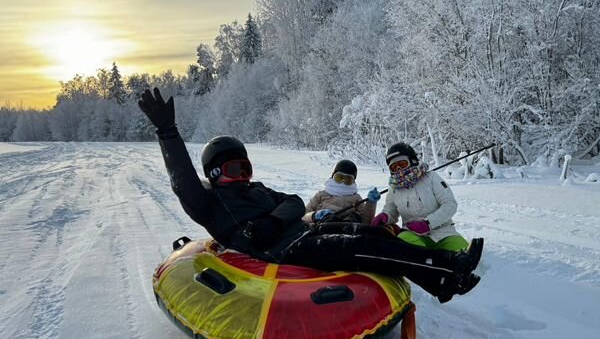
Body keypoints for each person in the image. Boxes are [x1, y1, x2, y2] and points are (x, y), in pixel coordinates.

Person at [138, 88, 483, 302]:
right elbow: (183, 182)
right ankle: (446, 273)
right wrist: (167, 132)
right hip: (283, 252)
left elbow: (291, 201)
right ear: (214, 174)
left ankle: (445, 273)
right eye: (233, 171)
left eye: (245, 168)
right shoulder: (210, 203)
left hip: (304, 233)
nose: (242, 177)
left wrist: (276, 219)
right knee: (364, 247)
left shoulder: (255, 190)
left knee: (373, 232)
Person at [371, 142, 471, 252]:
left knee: (461, 252)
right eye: (394, 167)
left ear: (412, 161)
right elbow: (391, 211)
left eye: (402, 164)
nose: (399, 169)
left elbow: (450, 204)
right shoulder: (394, 189)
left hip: (443, 233)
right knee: (403, 247)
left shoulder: (432, 178)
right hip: (411, 234)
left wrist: (428, 223)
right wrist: (385, 215)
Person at [303, 159, 381, 224]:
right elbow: (303, 216)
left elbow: (366, 221)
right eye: (339, 178)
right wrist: (314, 215)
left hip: (349, 229)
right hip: (323, 228)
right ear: (333, 176)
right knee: (328, 217)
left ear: (353, 181)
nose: (343, 182)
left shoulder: (356, 198)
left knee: (353, 216)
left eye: (348, 180)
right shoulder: (321, 195)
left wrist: (371, 203)